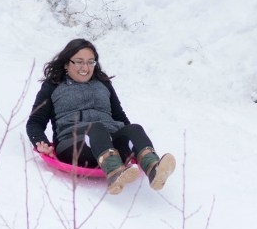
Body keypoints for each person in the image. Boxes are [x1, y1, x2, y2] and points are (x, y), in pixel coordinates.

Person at [26, 38, 176, 194]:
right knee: (96, 128)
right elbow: (35, 122)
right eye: (79, 62)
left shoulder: (103, 84)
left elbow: (119, 116)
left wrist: (130, 140)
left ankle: (154, 169)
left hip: (110, 143)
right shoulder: (52, 86)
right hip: (75, 144)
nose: (86, 67)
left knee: (134, 128)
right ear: (66, 63)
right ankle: (114, 173)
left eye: (91, 62)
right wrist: (41, 142)